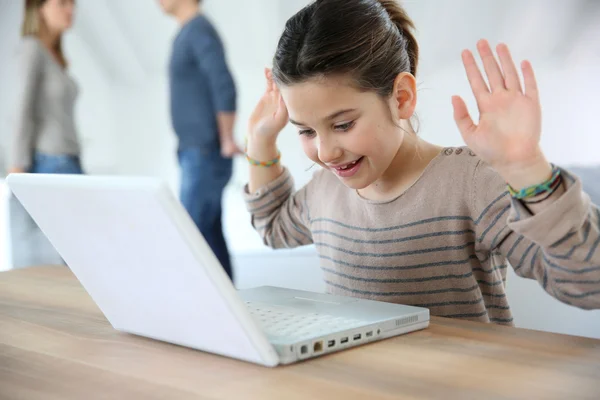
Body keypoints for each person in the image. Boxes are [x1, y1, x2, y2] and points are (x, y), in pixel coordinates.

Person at [243, 0, 600, 325]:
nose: (326, 152)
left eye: (343, 125)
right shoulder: (324, 192)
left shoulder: (470, 184)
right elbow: (273, 226)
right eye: (306, 131)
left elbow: (588, 282)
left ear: (401, 97)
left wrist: (527, 168)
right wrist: (260, 140)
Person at [158, 0, 241, 280]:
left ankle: (198, 313)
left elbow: (223, 84)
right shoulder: (187, 31)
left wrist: (227, 138)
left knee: (189, 238)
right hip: (194, 152)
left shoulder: (198, 29)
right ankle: (230, 310)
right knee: (208, 236)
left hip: (205, 152)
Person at [7, 0, 81, 268]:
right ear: (38, 8)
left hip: (70, 163)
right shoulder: (31, 49)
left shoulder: (55, 56)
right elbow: (21, 109)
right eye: (62, 3)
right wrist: (16, 168)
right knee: (55, 260)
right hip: (49, 164)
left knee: (78, 256)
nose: (71, 9)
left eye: (73, 4)